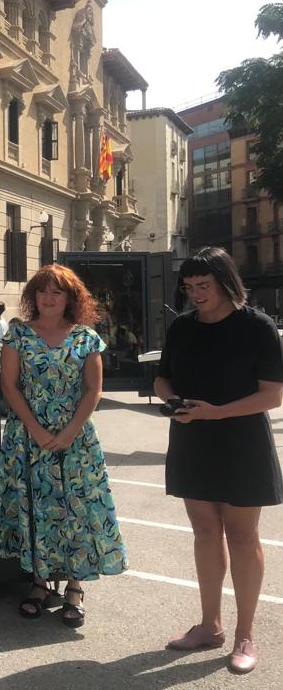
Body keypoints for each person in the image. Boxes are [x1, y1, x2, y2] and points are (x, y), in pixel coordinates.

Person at [154, 246, 283, 674]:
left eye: (203, 286)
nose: (195, 295)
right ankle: (210, 625)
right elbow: (161, 376)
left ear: (227, 283)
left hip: (242, 441)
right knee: (204, 533)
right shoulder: (182, 328)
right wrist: (172, 400)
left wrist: (215, 411)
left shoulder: (258, 327)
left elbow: (272, 395)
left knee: (243, 538)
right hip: (193, 440)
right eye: (189, 288)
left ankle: (246, 633)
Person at [0, 264, 127, 628]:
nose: (49, 298)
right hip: (27, 437)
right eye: (42, 291)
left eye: (57, 292)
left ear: (70, 298)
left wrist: (69, 431)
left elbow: (93, 390)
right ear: (33, 296)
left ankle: (74, 587)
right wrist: (35, 429)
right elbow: (9, 386)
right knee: (34, 505)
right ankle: (38, 582)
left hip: (77, 439)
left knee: (75, 508)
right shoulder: (18, 335)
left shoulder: (86, 338)